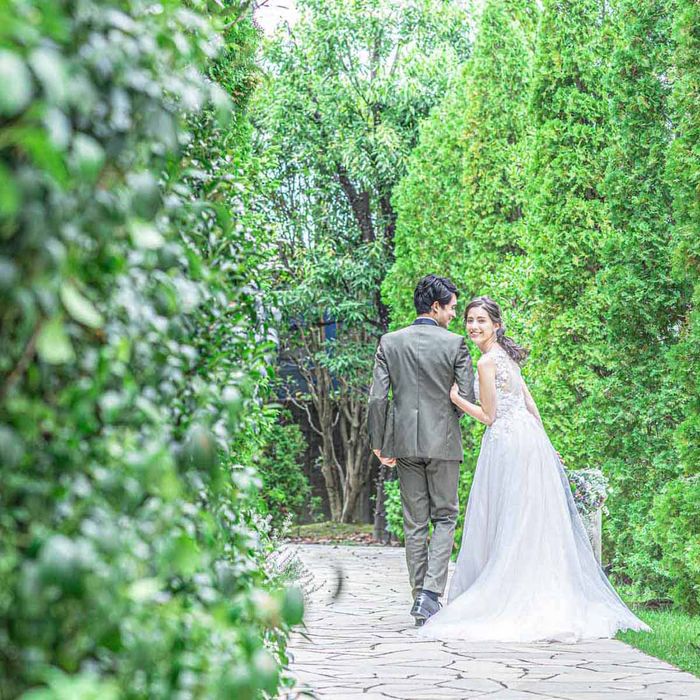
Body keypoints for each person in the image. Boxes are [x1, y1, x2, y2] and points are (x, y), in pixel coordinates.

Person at [418, 296, 650, 642]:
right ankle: (538, 586)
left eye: (481, 320)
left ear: (496, 325)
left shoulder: (486, 362)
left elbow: (489, 416)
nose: (473, 326)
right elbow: (529, 403)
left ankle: (511, 592)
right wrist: (546, 444)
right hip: (529, 440)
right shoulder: (506, 356)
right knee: (529, 518)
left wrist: (457, 399)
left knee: (510, 517)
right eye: (469, 320)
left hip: (507, 444)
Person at [368, 275, 475, 626]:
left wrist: (378, 442)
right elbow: (465, 398)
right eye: (452, 308)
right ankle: (430, 594)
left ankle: (420, 597)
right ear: (436, 306)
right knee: (444, 516)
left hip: (403, 444)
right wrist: (447, 419)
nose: (454, 315)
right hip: (443, 442)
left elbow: (376, 398)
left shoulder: (389, 342)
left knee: (414, 522)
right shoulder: (456, 344)